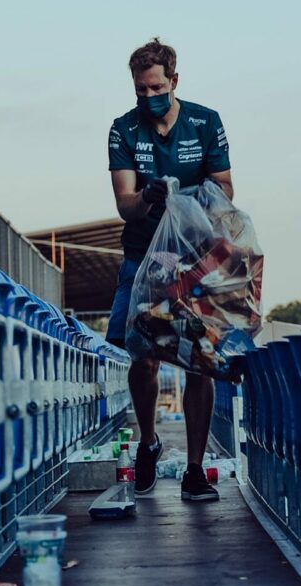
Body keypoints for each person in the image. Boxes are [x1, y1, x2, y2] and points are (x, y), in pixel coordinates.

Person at [106, 38, 233, 502]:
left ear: (174, 81)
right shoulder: (124, 129)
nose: (147, 97)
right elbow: (125, 204)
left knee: (200, 360)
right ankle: (148, 439)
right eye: (140, 89)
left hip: (197, 256)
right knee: (142, 354)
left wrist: (191, 201)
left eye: (155, 87)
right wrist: (149, 197)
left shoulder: (205, 122)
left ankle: (195, 469)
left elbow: (226, 190)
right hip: (145, 255)